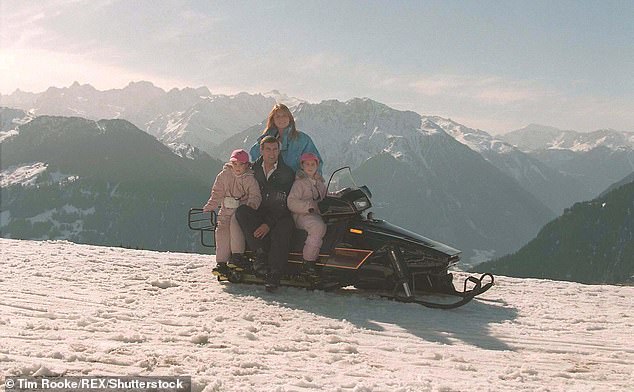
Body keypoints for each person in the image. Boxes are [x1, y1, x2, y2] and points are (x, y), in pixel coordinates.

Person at [236, 136, 296, 292]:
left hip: (280, 214)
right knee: (242, 212)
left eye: (275, 149)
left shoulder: (287, 173)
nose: (272, 153)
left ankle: (274, 273)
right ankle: (260, 254)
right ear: (261, 150)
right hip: (259, 211)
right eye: (268, 149)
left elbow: (282, 202)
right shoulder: (253, 170)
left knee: (283, 228)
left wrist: (268, 224)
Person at [202, 149, 261, 276]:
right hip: (225, 209)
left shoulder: (250, 179)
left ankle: (237, 256)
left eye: (241, 164)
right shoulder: (223, 176)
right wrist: (211, 205)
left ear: (246, 165)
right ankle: (221, 262)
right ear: (231, 163)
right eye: (235, 164)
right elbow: (217, 193)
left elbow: (255, 195)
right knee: (222, 231)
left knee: (235, 227)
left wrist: (251, 206)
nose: (238, 167)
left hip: (240, 210)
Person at [249, 103, 323, 173]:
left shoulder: (302, 139)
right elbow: (254, 153)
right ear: (273, 120)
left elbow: (316, 161)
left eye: (284, 115)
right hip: (270, 182)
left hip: (296, 183)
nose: (281, 119)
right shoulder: (267, 138)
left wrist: (313, 177)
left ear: (290, 118)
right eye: (278, 116)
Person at [287, 152, 327, 273]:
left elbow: (326, 196)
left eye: (313, 164)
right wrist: (308, 207)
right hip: (301, 215)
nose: (310, 167)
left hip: (316, 214)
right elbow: (291, 202)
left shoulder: (319, 183)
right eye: (307, 164)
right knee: (318, 227)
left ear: (317, 166)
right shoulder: (299, 183)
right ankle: (308, 260)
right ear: (302, 166)